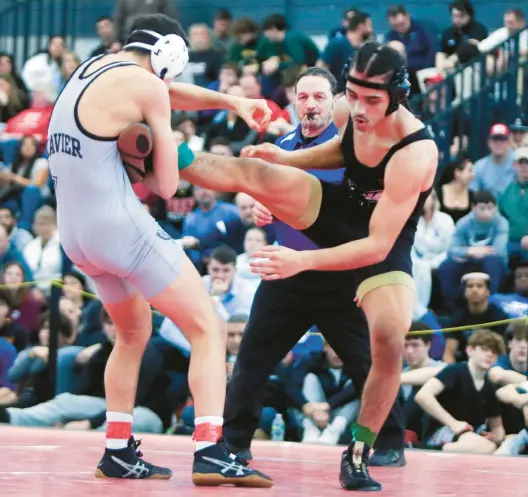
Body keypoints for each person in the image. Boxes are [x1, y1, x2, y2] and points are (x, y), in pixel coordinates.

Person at [178, 41, 438, 491]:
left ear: (398, 96)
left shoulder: (416, 150)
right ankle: (162, 153)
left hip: (382, 242)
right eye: (352, 96)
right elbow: (344, 150)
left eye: (371, 101)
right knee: (258, 171)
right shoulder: (347, 111)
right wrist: (289, 159)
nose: (357, 108)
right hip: (337, 212)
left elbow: (376, 245)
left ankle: (359, 451)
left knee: (389, 340)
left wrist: (302, 260)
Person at [47, 13, 272, 486]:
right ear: (170, 55)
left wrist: (230, 99)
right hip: (121, 230)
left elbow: (161, 92)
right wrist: (155, 157)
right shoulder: (147, 90)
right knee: (207, 326)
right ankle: (210, 448)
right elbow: (167, 186)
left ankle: (116, 450)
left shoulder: (92, 68)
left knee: (132, 334)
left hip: (77, 237)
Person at [222, 67, 406, 469]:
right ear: (293, 100)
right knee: (252, 356)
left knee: (366, 361)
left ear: (335, 101)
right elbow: (266, 195)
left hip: (336, 271)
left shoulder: (350, 150)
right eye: (303, 97)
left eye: (320, 97)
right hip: (287, 268)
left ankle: (391, 441)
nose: (310, 105)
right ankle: (234, 442)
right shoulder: (283, 145)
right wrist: (261, 206)